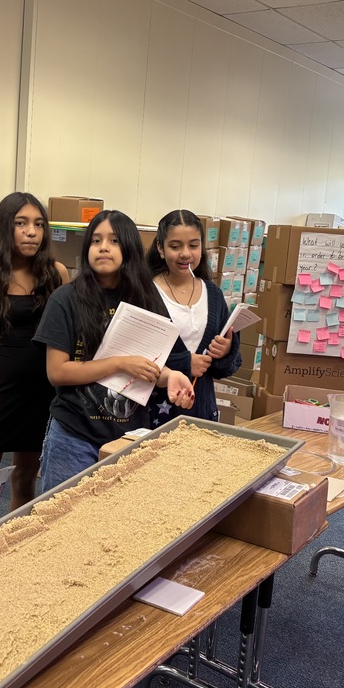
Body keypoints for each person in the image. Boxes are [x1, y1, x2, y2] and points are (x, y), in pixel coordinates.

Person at [33, 210, 196, 490]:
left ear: (129, 247)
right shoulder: (66, 299)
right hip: (74, 434)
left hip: (129, 436)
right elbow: (57, 372)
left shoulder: (146, 299)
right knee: (61, 523)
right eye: (96, 241)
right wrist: (120, 364)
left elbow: (148, 365)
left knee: (116, 526)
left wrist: (170, 377)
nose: (103, 247)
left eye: (114, 240)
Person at [0, 192, 69, 510]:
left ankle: (15, 547)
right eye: (22, 223)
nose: (32, 231)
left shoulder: (56, 273)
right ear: (5, 228)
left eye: (39, 224)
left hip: (40, 388)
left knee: (26, 476)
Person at [148, 210, 241, 424]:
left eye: (193, 245)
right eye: (175, 246)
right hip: (153, 416)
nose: (185, 254)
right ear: (161, 249)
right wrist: (184, 362)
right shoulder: (146, 294)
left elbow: (227, 367)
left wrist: (225, 351)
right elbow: (133, 357)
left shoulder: (214, 294)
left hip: (202, 413)